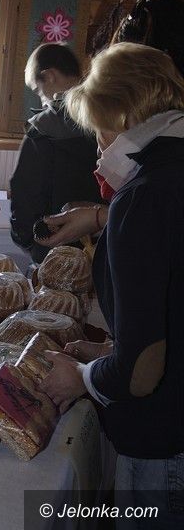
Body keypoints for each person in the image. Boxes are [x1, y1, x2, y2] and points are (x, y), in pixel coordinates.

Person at [40, 42, 184, 527]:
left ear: (121, 117)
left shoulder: (142, 198)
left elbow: (142, 372)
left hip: (165, 441)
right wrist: (110, 354)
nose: (99, 147)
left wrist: (83, 377)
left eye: (99, 130)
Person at [36, 0, 184, 249]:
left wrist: (110, 216)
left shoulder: (154, 178)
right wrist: (103, 217)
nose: (99, 146)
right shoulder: (159, 161)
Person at [9, 43, 101, 263]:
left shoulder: (43, 128)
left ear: (49, 76)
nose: (41, 100)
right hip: (105, 244)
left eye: (37, 90)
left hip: (54, 251)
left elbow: (25, 194)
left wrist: (29, 241)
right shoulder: (108, 118)